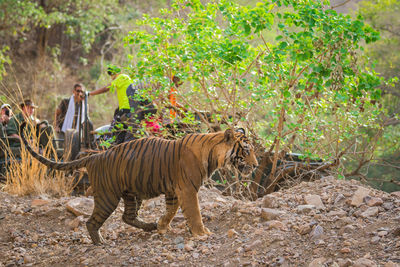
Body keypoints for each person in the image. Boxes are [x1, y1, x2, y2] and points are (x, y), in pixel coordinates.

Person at [89, 65, 156, 143]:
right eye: (110, 73)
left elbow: (106, 88)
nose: (112, 75)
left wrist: (91, 93)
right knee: (123, 131)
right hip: (130, 109)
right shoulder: (128, 80)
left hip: (127, 109)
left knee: (114, 131)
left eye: (112, 73)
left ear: (118, 72)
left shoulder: (122, 77)